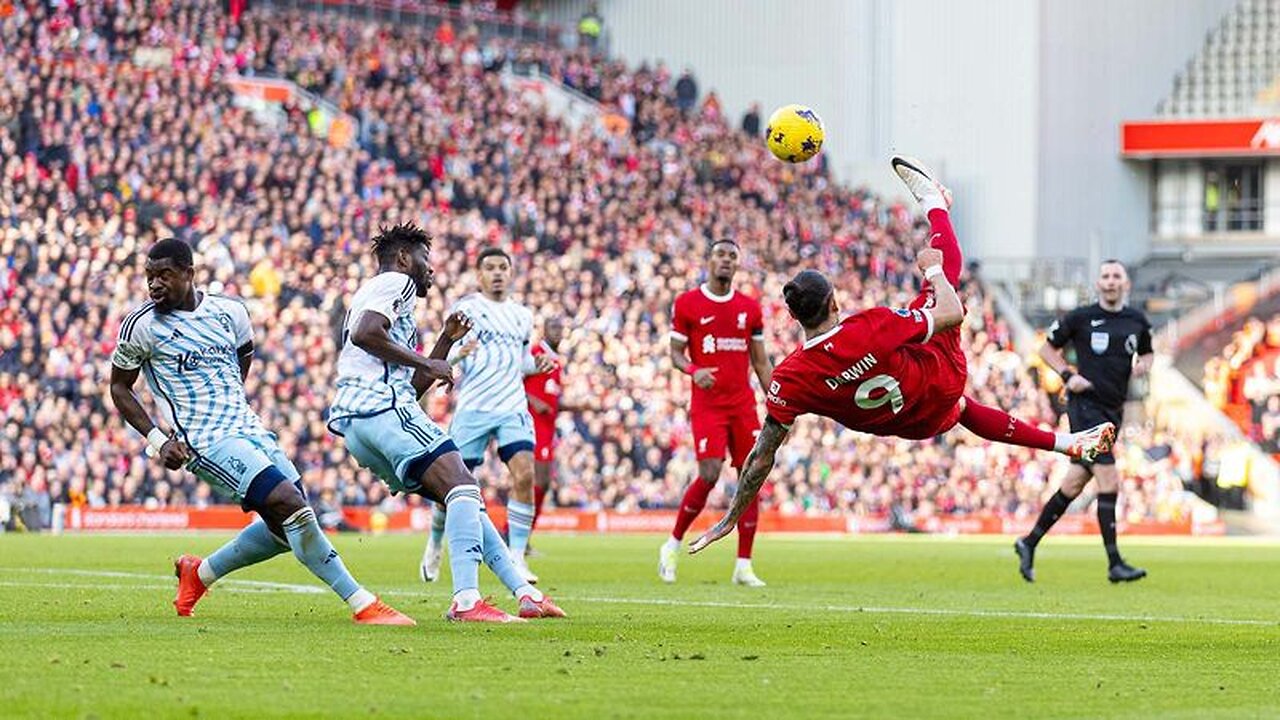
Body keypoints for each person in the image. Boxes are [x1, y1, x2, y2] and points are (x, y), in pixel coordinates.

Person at [689, 157, 1117, 555]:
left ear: (795, 316)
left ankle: (1067, 444)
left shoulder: (788, 379)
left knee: (963, 407)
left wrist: (732, 514)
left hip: (914, 424)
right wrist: (930, 268)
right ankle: (935, 203)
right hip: (939, 380)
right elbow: (949, 314)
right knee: (943, 284)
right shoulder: (869, 326)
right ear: (835, 304)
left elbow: (763, 456)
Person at [109, 238, 414, 625]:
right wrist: (157, 441)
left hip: (249, 427)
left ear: (189, 274)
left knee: (284, 524)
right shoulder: (142, 325)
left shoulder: (229, 312)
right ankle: (362, 603)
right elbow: (119, 387)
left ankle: (198, 574)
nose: (154, 285)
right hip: (205, 441)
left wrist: (231, 403)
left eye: (164, 275)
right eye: (149, 277)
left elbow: (243, 355)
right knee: (290, 504)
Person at [326, 224, 564, 621]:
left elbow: (414, 379)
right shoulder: (395, 283)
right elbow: (365, 334)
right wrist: (427, 360)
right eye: (425, 260)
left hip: (357, 423)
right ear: (404, 258)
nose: (430, 270)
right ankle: (467, 600)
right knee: (466, 488)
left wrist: (443, 343)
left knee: (463, 497)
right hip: (380, 408)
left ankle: (524, 593)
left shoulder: (382, 297)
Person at [419, 247, 555, 585]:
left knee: (525, 476)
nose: (497, 273)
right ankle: (435, 542)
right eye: (490, 268)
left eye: (503, 268)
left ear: (511, 273)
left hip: (511, 406)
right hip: (474, 408)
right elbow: (447, 353)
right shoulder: (466, 310)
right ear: (479, 275)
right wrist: (457, 357)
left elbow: (520, 360)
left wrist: (534, 365)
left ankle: (517, 557)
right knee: (449, 487)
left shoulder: (522, 315)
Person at [1015, 260, 1154, 583]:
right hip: (1085, 408)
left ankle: (1028, 541)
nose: (1110, 281)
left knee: (1075, 483)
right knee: (1109, 480)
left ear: (1126, 284)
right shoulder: (1081, 318)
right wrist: (1067, 375)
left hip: (1113, 410)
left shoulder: (1136, 320)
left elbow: (1148, 353)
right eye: (1105, 276)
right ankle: (1115, 563)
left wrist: (1144, 365)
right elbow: (1046, 349)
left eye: (1116, 276)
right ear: (1098, 284)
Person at [659, 238, 773, 587]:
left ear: (738, 265)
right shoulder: (688, 303)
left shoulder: (749, 308)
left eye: (732, 256)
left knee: (750, 476)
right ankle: (672, 545)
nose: (725, 261)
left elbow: (760, 360)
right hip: (708, 405)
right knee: (709, 473)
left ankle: (743, 565)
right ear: (709, 260)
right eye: (720, 255)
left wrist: (778, 400)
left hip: (742, 405)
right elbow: (676, 355)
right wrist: (695, 371)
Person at [508, 315, 588, 550]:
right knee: (535, 480)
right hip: (531, 427)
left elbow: (551, 399)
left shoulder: (556, 361)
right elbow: (513, 382)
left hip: (547, 430)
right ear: (543, 330)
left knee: (541, 483)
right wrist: (534, 401)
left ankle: (520, 536)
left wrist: (577, 406)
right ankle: (514, 534)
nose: (557, 331)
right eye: (552, 327)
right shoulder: (535, 352)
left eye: (560, 327)